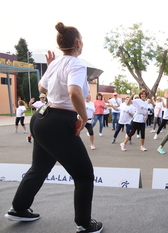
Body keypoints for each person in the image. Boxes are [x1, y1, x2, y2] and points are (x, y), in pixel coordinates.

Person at [4, 22, 103, 232]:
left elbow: (42, 87)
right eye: (82, 40)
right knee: (84, 175)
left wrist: (50, 67)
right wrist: (84, 118)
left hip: (41, 119)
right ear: (77, 43)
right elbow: (74, 92)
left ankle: (19, 208)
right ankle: (85, 224)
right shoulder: (76, 64)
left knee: (39, 168)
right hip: (59, 122)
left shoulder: (56, 63)